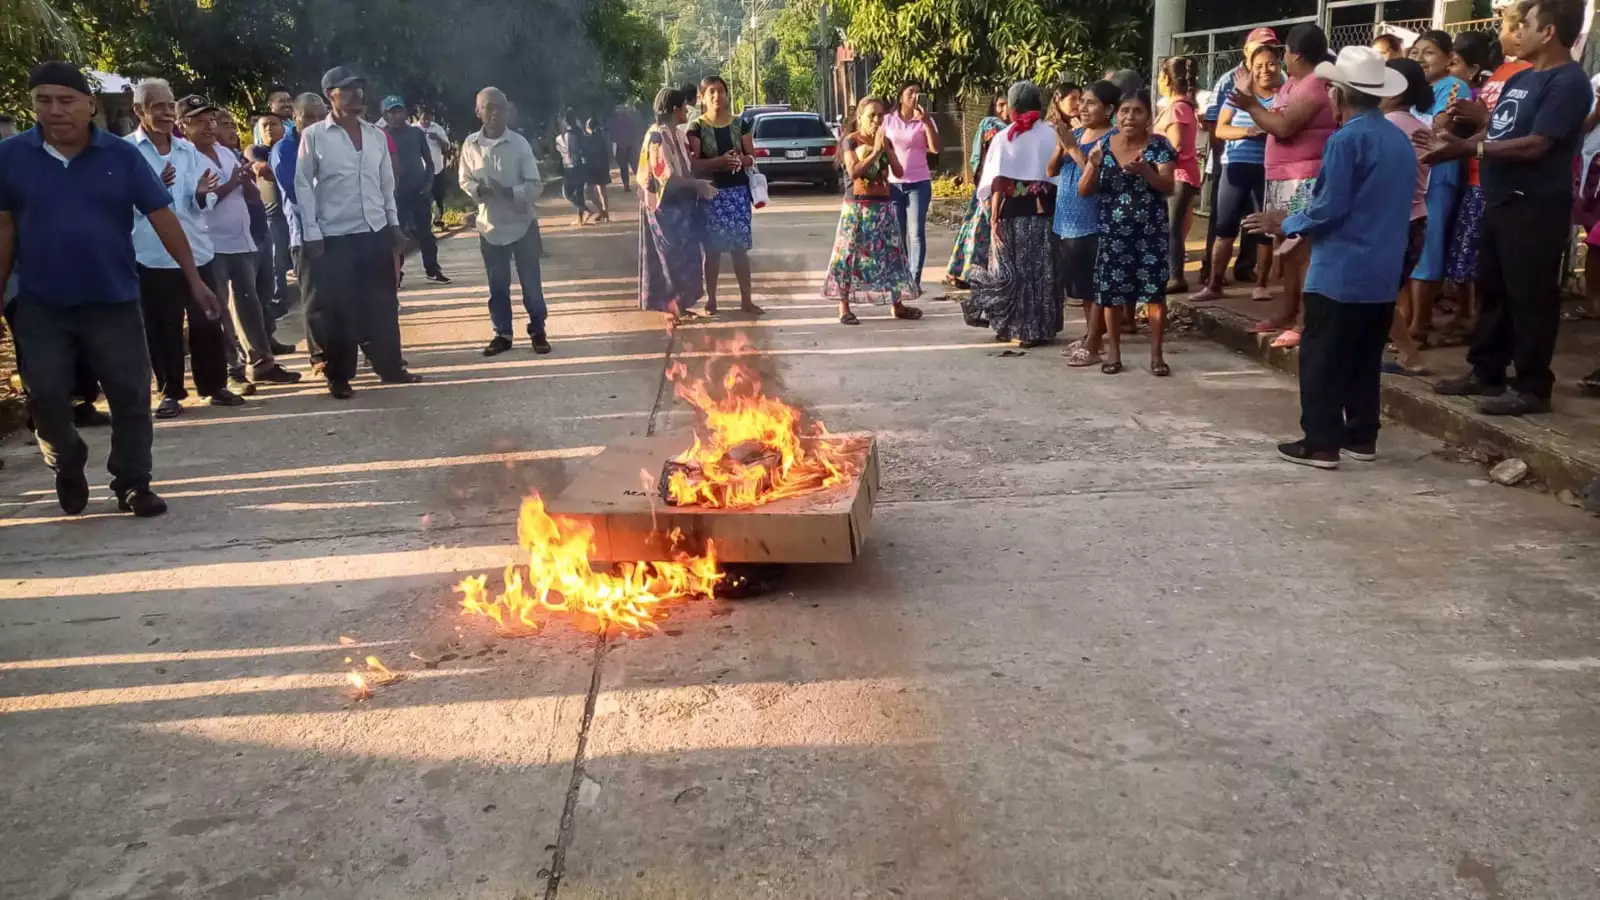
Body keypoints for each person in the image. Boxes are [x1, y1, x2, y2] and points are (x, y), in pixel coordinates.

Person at [1, 62, 221, 516]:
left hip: (114, 298)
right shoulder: (10, 156)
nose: (55, 110)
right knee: (44, 394)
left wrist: (194, 280)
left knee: (130, 394)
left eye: (66, 100)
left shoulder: (121, 157)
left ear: (90, 106)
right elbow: (3, 229)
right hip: (41, 303)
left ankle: (132, 482)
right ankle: (67, 460)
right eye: (44, 100)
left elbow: (163, 217)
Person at [1243, 46, 1415, 469]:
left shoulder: (1347, 139)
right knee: (1364, 356)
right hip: (1382, 268)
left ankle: (1320, 441)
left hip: (1341, 268)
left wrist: (1286, 221)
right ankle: (1361, 435)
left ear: (1339, 94)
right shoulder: (1397, 138)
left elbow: (1329, 207)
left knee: (1322, 356)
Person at [1425, 0, 1592, 416]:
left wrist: (1472, 147)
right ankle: (1487, 371)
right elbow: (1499, 127)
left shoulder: (1569, 82)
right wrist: (1459, 135)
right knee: (1494, 289)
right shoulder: (1524, 77)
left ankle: (1533, 385)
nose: (1519, 33)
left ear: (1549, 32)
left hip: (1534, 205)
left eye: (1528, 25)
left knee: (1531, 295)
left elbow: (1538, 143)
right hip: (1500, 200)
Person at [296, 66, 423, 399]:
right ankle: (339, 376)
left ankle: (390, 367)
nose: (356, 97)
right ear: (330, 95)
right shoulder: (313, 137)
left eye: (359, 90)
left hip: (374, 231)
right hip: (335, 236)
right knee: (338, 309)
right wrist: (311, 233)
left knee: (382, 304)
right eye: (347, 91)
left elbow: (385, 185)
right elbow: (303, 188)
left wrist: (394, 226)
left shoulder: (376, 136)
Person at [127, 80, 245, 417]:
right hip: (151, 255)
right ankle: (170, 393)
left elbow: (202, 203)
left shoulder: (187, 152)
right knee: (162, 326)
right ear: (140, 111)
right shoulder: (127, 153)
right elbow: (119, 206)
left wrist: (201, 195)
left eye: (169, 106)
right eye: (157, 107)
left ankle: (214, 385)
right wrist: (152, 192)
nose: (165, 113)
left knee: (207, 320)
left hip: (196, 249)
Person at [1230, 23, 1338, 349]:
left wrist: (1250, 105)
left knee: (1302, 251)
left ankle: (1305, 320)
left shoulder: (1316, 85)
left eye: (1286, 53)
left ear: (1297, 54)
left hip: (1304, 177)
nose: (1283, 60)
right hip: (1282, 175)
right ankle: (1288, 311)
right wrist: (1251, 96)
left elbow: (1283, 126)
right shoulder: (1293, 82)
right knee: (1286, 253)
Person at [182, 95, 299, 391]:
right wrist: (231, 184)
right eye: (200, 121)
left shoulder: (226, 153)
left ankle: (262, 364)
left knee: (250, 306)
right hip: (210, 245)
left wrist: (245, 183)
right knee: (220, 310)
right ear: (184, 126)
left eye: (211, 120)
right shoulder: (184, 158)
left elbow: (250, 196)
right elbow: (197, 204)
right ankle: (231, 372)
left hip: (241, 240)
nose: (209, 127)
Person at [1079, 89, 1178, 376]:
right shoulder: (1104, 147)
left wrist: (1146, 172)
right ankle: (1113, 352)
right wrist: (1093, 166)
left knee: (1154, 296)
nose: (1130, 117)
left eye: (1137, 111)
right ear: (1115, 115)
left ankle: (1157, 355)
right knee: (1112, 296)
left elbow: (1169, 186)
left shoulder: (1159, 147)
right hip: (1113, 233)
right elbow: (1085, 191)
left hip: (1151, 235)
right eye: (1124, 111)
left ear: (1148, 117)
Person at [963, 81, 1059, 347]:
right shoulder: (1051, 134)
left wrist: (993, 217)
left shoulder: (1004, 138)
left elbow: (996, 182)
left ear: (1013, 106)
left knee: (1008, 271)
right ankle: (1035, 328)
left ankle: (1008, 323)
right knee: (1038, 271)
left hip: (1010, 212)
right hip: (1043, 212)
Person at [459, 87, 551, 356]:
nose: (496, 112)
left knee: (531, 284)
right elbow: (465, 180)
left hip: (522, 225)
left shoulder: (519, 144)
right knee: (497, 286)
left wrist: (509, 192)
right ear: (478, 112)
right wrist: (479, 191)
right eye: (489, 107)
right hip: (490, 227)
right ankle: (502, 334)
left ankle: (538, 330)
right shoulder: (470, 145)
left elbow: (535, 185)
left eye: (501, 107)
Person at [1192, 43, 1280, 303]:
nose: (1265, 70)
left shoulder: (1283, 96)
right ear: (1250, 69)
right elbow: (1220, 129)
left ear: (1280, 66)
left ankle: (1262, 284)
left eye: (1271, 63)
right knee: (1225, 228)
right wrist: (1249, 131)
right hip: (1235, 166)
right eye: (1259, 65)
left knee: (1263, 232)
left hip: (1266, 169)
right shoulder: (1237, 94)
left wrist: (1267, 126)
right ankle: (1215, 283)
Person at [823, 97, 921, 325]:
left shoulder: (883, 140)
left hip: (883, 205)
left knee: (893, 254)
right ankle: (844, 307)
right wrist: (876, 152)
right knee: (848, 256)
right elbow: (853, 171)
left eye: (880, 116)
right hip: (857, 207)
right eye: (871, 116)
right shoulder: (850, 141)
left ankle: (898, 305)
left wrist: (887, 148)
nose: (877, 120)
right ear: (860, 118)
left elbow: (898, 170)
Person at [1404, 30, 1473, 345]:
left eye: (1429, 52)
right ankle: (1412, 320)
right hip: (1413, 176)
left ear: (1450, 59)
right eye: (1416, 51)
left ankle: (1418, 326)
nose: (1420, 57)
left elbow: (1438, 127)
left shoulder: (1454, 86)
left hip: (1438, 175)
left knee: (1428, 244)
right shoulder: (1417, 89)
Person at [1441, 30, 1510, 337]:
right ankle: (1467, 314)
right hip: (1472, 173)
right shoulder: (1501, 76)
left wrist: (1476, 126)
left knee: (1479, 256)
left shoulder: (1521, 77)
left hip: (1489, 179)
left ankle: (1481, 322)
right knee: (1464, 253)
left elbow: (1504, 128)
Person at [1379, 58, 1439, 379]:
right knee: (1384, 292)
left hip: (1393, 223)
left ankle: (1411, 355)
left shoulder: (1386, 128)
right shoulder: (1419, 127)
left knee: (1379, 293)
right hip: (1417, 219)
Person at [1053, 80, 1120, 366]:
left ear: (1109, 109)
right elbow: (1050, 169)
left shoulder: (1112, 139)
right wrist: (1063, 145)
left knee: (1094, 286)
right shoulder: (1077, 133)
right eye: (1082, 102)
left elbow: (1098, 181)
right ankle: (1091, 335)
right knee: (1080, 287)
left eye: (1091, 103)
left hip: (1092, 222)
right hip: (1065, 221)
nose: (1082, 107)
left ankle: (1094, 343)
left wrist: (1073, 149)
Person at [688, 75, 761, 315]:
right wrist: (719, 162)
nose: (717, 96)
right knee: (712, 250)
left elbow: (752, 157)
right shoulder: (697, 127)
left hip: (738, 194)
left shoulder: (741, 124)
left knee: (740, 250)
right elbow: (694, 165)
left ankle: (746, 300)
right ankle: (711, 300)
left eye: (721, 91)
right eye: (711, 92)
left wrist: (740, 160)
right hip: (711, 195)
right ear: (703, 98)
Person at [636, 87, 707, 319]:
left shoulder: (677, 133)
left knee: (688, 255)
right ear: (676, 109)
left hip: (682, 204)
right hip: (664, 207)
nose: (687, 111)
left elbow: (685, 167)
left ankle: (681, 304)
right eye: (685, 107)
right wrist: (697, 186)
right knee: (669, 256)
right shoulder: (657, 135)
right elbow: (666, 178)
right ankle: (670, 307)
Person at [381, 94, 449, 285]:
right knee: (398, 235)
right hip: (396, 194)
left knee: (426, 233)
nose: (396, 116)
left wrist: (428, 184)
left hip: (418, 191)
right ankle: (397, 275)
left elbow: (428, 161)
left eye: (399, 110)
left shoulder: (416, 134)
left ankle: (432, 269)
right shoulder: (381, 135)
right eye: (391, 112)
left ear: (405, 112)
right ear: (385, 115)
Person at [943, 89, 1008, 289]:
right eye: (1000, 105)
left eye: (1009, 105)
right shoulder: (991, 125)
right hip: (989, 186)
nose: (1005, 110)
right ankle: (968, 272)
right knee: (979, 228)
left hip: (1005, 186)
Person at [882, 81, 941, 295]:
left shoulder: (926, 121)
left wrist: (925, 121)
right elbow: (879, 147)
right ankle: (901, 279)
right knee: (898, 234)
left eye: (918, 93)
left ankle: (914, 280)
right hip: (894, 184)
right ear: (900, 97)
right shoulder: (888, 121)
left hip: (919, 183)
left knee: (916, 234)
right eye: (910, 92)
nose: (914, 97)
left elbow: (935, 148)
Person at [1156, 56, 1201, 293]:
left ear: (1166, 78)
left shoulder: (1177, 109)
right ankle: (1172, 273)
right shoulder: (1181, 106)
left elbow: (1175, 146)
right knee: (1172, 226)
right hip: (1179, 174)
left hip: (1178, 175)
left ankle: (1175, 276)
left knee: (1172, 227)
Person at [250, 113, 294, 325]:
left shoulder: (291, 146)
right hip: (273, 215)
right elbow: (261, 168)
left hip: (294, 211)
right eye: (264, 126)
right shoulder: (256, 150)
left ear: (283, 127)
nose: (269, 129)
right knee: (277, 261)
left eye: (273, 124)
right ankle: (278, 300)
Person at [417, 105, 452, 227]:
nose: (426, 120)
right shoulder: (413, 129)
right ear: (419, 116)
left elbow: (447, 147)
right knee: (423, 196)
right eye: (424, 117)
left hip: (437, 168)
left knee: (438, 195)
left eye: (429, 118)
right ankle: (424, 223)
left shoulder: (437, 129)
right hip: (420, 170)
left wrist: (437, 138)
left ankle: (438, 219)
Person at [556, 109, 590, 225]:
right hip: (582, 166)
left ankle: (585, 210)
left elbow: (571, 153)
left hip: (572, 167)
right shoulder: (579, 132)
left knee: (567, 193)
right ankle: (580, 218)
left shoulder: (567, 135)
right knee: (579, 193)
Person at [582, 114, 611, 222]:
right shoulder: (602, 137)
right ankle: (605, 212)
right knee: (602, 190)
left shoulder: (587, 139)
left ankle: (601, 211)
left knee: (589, 192)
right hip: (602, 166)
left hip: (592, 167)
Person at [610, 103, 644, 192]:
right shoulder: (614, 121)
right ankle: (626, 185)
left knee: (635, 166)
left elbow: (634, 132)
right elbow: (612, 136)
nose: (620, 110)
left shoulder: (629, 120)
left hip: (630, 146)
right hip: (620, 148)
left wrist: (635, 144)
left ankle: (641, 184)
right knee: (623, 168)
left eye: (621, 108)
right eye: (618, 108)